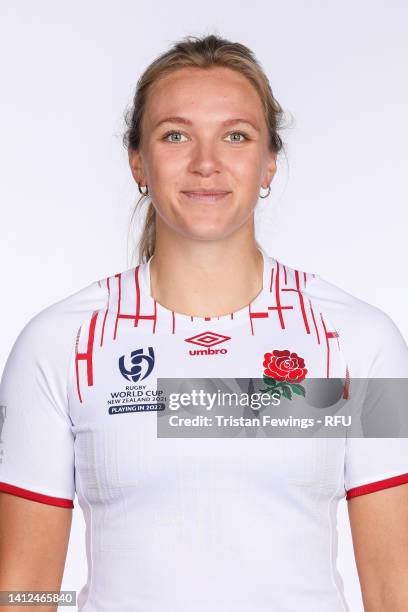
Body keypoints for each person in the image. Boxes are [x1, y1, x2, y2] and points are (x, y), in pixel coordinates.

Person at [1, 33, 408, 612]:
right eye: (175, 135)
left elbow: (397, 590)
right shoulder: (58, 345)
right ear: (138, 162)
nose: (206, 163)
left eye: (236, 136)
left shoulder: (359, 342)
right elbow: (20, 588)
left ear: (268, 163)